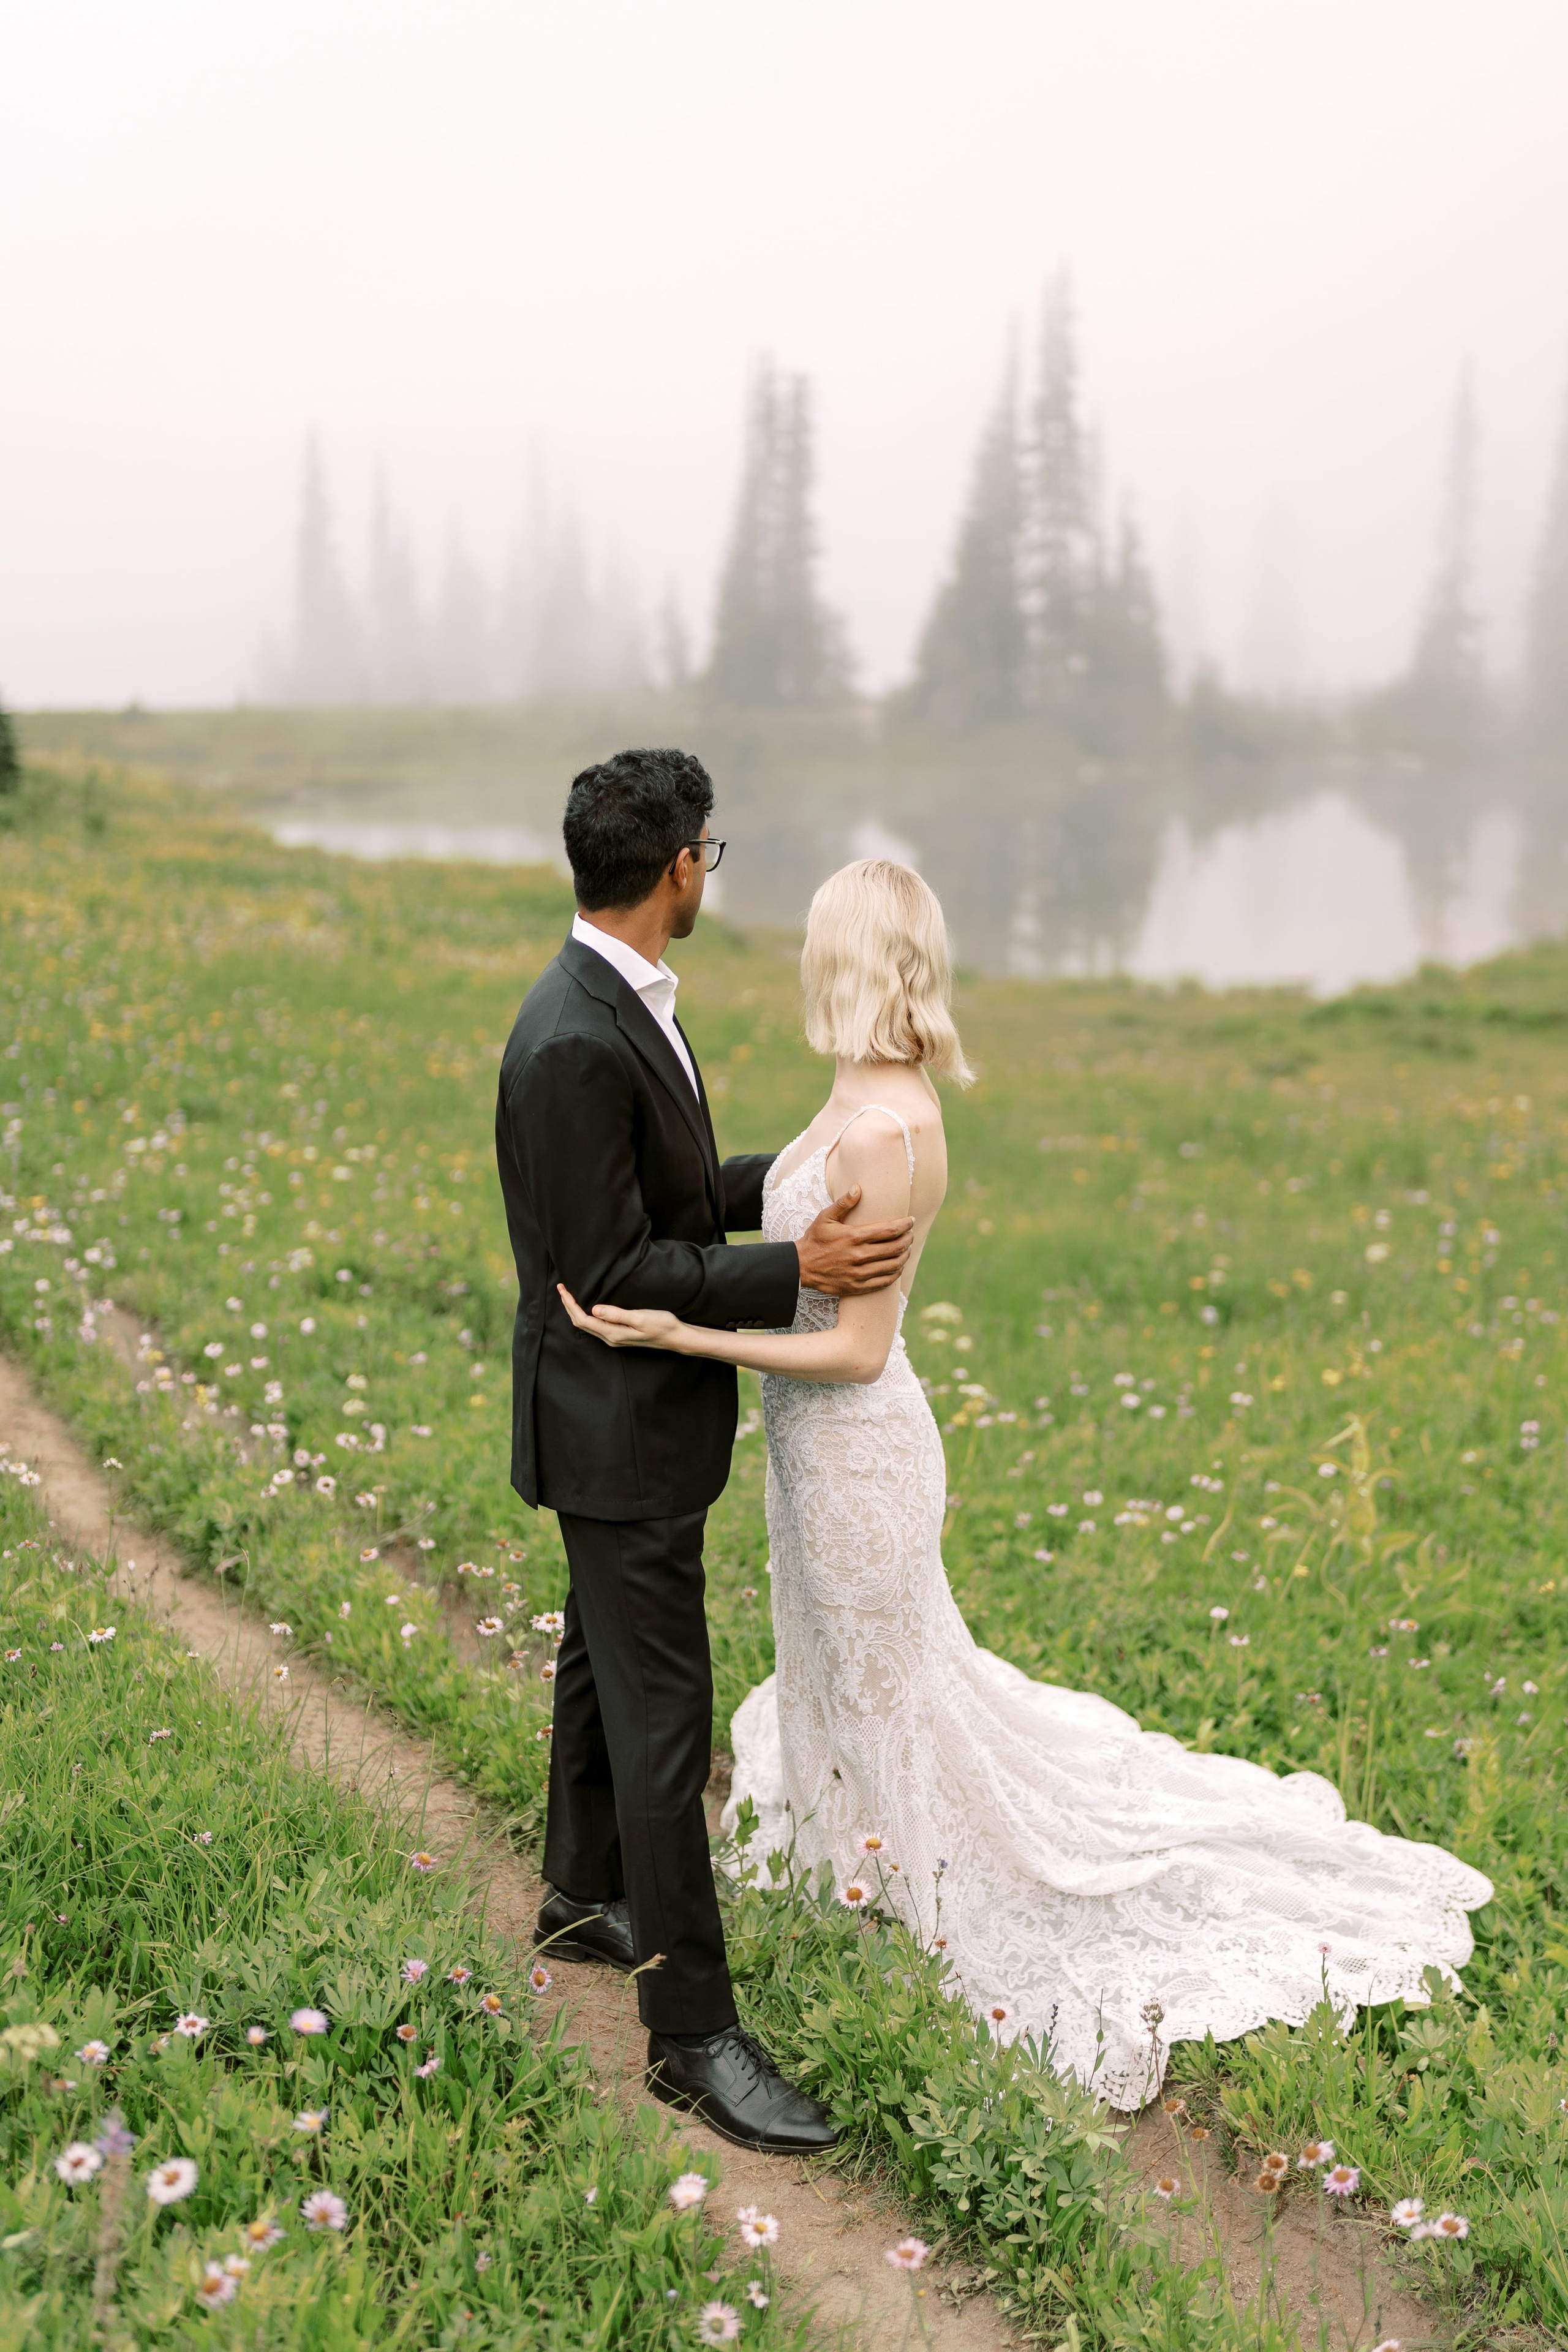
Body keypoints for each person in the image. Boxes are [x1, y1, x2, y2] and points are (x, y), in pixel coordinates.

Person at [559, 856, 1494, 2109]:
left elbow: (854, 1346)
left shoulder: (893, 1126)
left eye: (816, 946)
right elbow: (771, 1210)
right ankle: (866, 1868)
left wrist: (681, 1333)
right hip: (806, 1457)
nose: (796, 962)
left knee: (890, 1690)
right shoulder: (852, 1091)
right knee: (840, 1678)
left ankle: (923, 1889)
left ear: (847, 962)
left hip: (857, 1451)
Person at [495, 749, 914, 2152]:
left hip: (623, 1431)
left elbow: (665, 1193)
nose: (707, 877)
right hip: (613, 1432)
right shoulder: (568, 1038)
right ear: (676, 867)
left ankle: (578, 1893)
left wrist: (780, 1192)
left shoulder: (621, 1001)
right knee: (665, 1722)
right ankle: (691, 2035)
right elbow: (615, 1261)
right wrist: (789, 1260)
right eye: (708, 857)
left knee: (592, 1658)